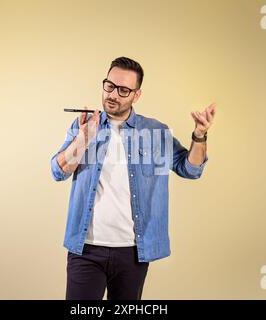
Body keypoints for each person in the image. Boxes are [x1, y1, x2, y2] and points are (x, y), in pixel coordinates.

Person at [51, 56, 216, 300]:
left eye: (123, 90)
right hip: (85, 249)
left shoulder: (156, 132)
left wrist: (199, 135)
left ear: (136, 95)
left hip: (132, 252)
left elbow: (190, 169)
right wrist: (83, 139)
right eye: (109, 86)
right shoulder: (84, 125)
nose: (113, 95)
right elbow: (58, 171)